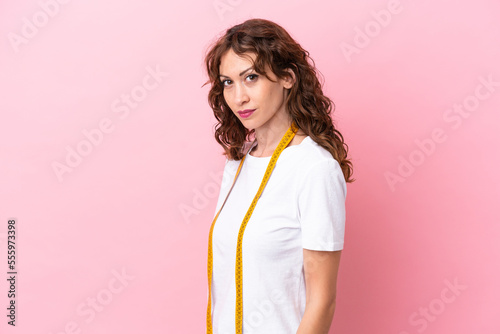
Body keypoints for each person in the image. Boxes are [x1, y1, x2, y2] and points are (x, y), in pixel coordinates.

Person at [202, 18, 355, 334]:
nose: (238, 97)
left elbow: (322, 301)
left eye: (251, 77)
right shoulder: (237, 167)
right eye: (228, 82)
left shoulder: (315, 169)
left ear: (287, 77)